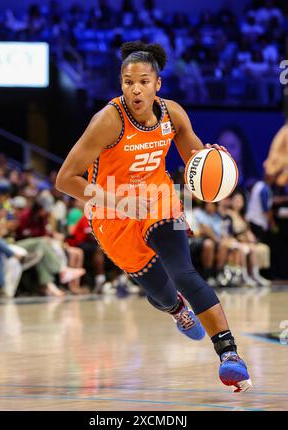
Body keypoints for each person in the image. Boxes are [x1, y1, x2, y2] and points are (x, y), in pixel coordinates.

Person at [56, 41, 252, 392]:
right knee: (162, 293)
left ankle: (229, 354)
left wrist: (212, 157)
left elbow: (196, 157)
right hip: (110, 211)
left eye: (144, 81)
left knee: (184, 271)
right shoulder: (106, 121)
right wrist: (120, 203)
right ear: (121, 84)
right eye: (128, 81)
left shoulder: (173, 114)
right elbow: (65, 179)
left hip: (162, 197)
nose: (136, 88)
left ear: (157, 84)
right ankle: (177, 309)